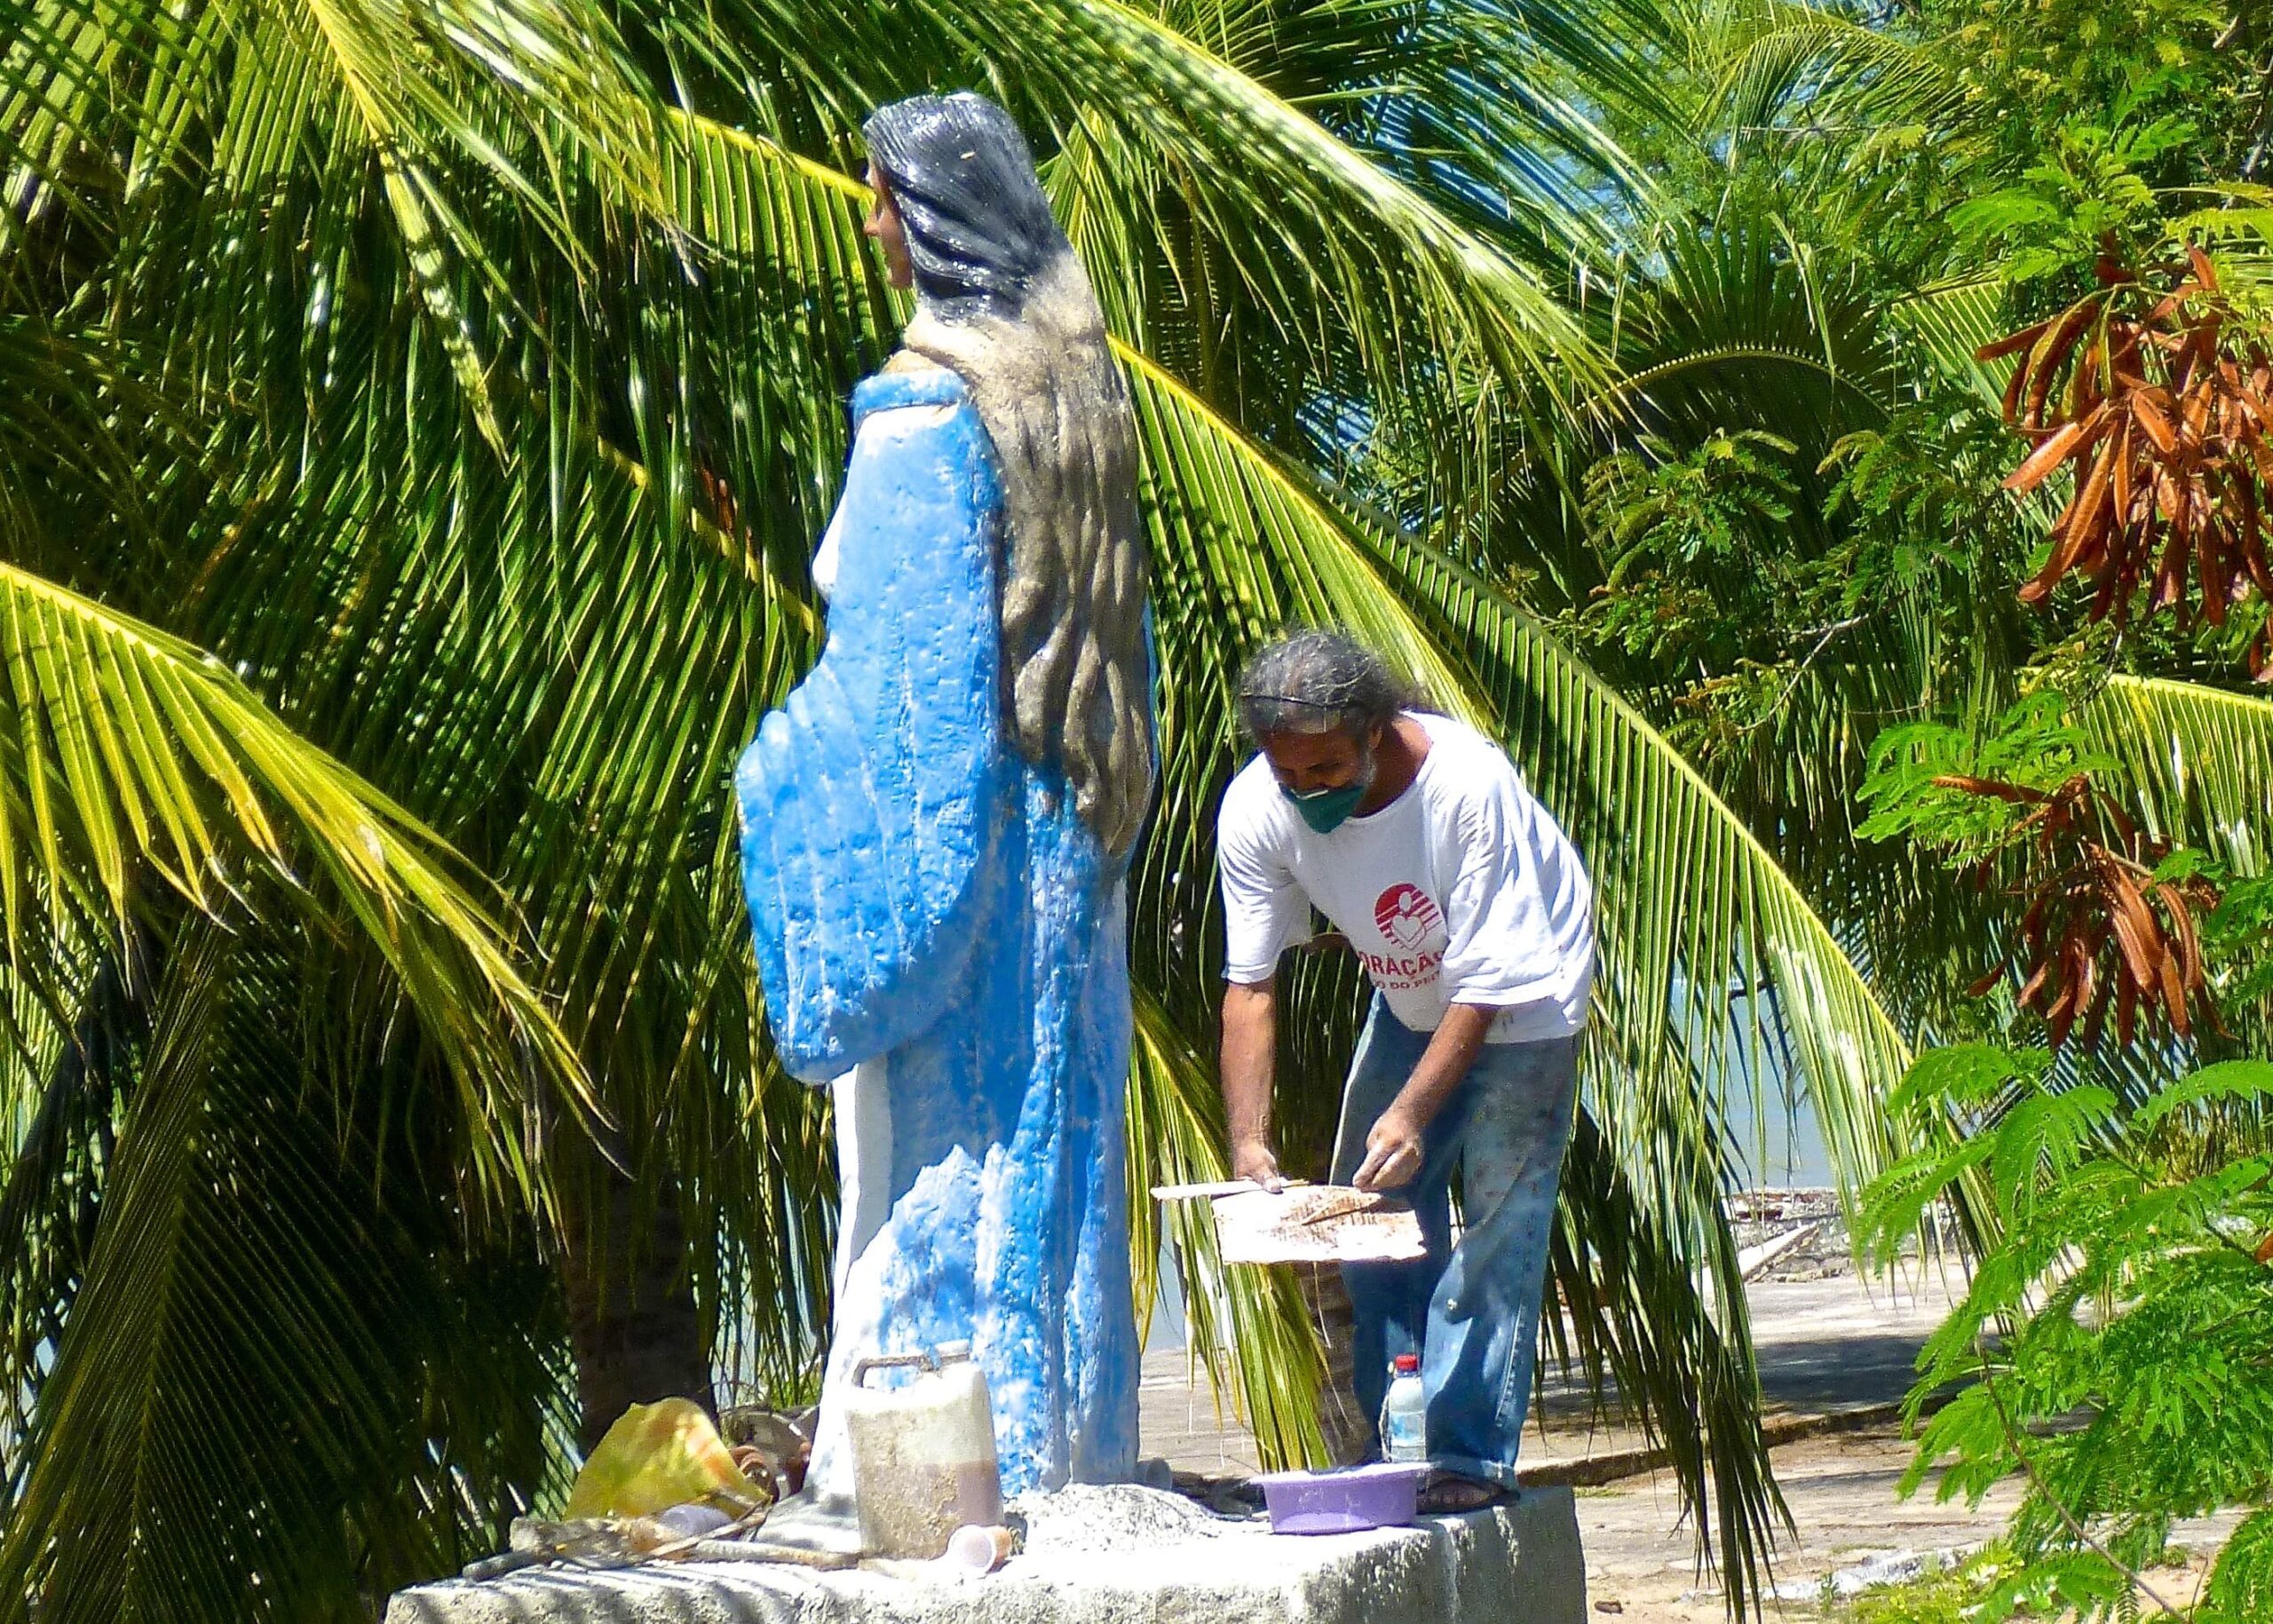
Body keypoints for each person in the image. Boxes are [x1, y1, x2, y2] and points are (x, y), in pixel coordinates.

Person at [735, 91, 1153, 1505]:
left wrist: (780, 764)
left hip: (962, 894)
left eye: (879, 193)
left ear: (931, 218)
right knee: (1063, 1172)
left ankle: (947, 1487)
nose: (868, 218)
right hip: (1066, 872)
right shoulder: (1080, 407)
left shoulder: (925, 418)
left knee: (943, 1190)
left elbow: (909, 725)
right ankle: (1065, 1451)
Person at [1215, 630, 1593, 1510]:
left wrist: (1413, 1111)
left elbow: (1488, 988)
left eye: (1328, 768)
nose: (1307, 791)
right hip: (1414, 988)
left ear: (1379, 729)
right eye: (1290, 775)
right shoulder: (1255, 810)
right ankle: (1396, 1442)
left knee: (1499, 1222)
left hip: (1524, 1001)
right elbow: (1250, 986)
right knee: (1366, 1210)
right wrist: (1248, 1142)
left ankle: (1467, 1454)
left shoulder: (1465, 785)